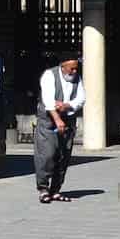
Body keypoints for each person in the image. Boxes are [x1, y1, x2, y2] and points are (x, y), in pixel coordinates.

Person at [34, 57, 85, 203]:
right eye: (71, 68)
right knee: (47, 154)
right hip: (49, 120)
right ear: (63, 66)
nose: (74, 71)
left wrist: (66, 106)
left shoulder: (77, 79)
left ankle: (55, 190)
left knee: (63, 156)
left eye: (76, 68)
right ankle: (43, 188)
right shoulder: (49, 76)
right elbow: (48, 101)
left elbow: (81, 98)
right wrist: (57, 119)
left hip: (67, 119)